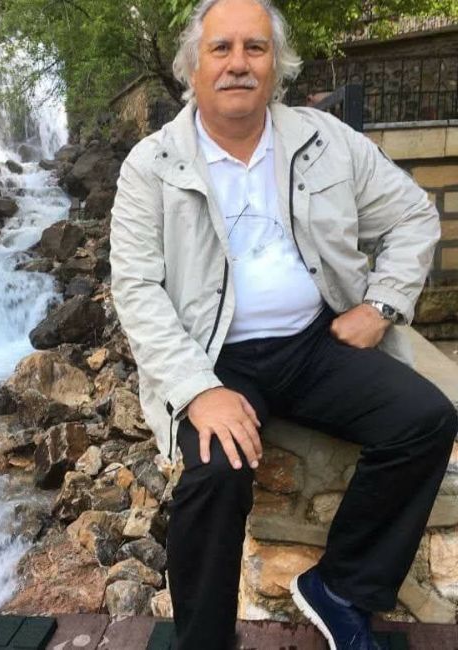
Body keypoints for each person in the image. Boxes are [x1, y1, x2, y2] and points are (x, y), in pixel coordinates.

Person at [109, 0, 458, 648]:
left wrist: (381, 305)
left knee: (426, 419)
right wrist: (198, 389)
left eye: (255, 47)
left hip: (314, 343)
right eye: (221, 48)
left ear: (276, 65)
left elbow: (413, 214)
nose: (238, 63)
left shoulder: (326, 142)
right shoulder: (151, 165)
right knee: (216, 471)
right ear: (193, 66)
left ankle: (343, 587)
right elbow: (136, 287)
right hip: (216, 356)